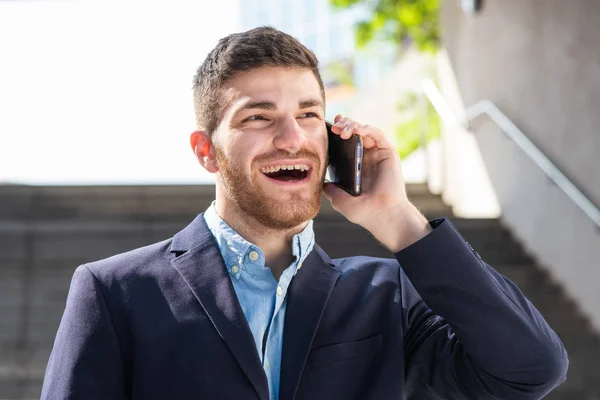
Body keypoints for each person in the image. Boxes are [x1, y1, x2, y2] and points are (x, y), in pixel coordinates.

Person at [41, 27, 568, 400]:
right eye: (259, 117)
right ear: (206, 151)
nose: (292, 137)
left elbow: (529, 369)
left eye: (309, 115)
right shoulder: (115, 292)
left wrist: (399, 220)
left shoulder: (385, 293)